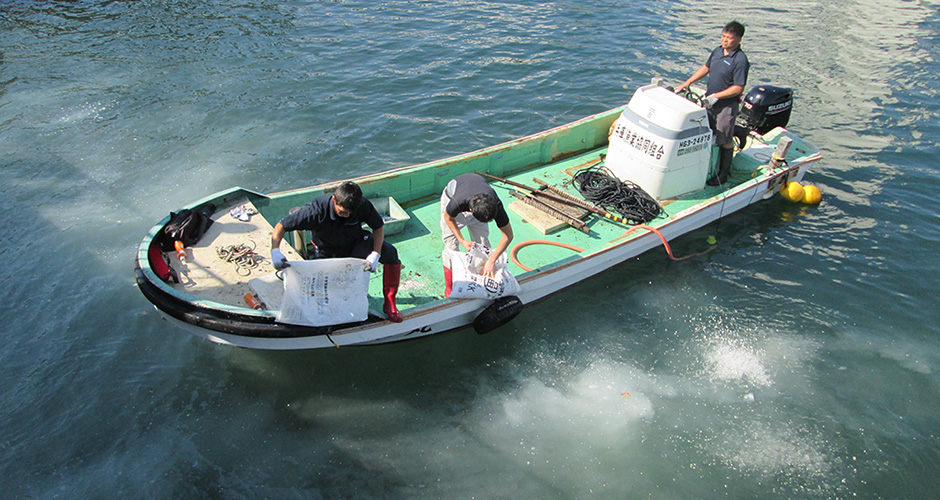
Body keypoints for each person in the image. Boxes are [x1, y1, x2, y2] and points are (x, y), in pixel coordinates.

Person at [270, 181, 403, 323]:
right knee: (324, 287)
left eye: (350, 213)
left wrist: (376, 253)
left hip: (355, 244)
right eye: (343, 212)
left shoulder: (362, 205)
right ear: (334, 199)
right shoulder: (315, 211)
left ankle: (390, 303)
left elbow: (378, 227)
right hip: (327, 252)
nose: (346, 215)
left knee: (390, 252)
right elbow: (281, 226)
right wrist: (275, 250)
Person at [675, 21, 749, 186]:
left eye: (729, 38)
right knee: (708, 130)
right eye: (723, 36)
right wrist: (687, 82)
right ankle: (738, 131)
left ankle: (723, 174)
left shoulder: (740, 60)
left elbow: (738, 87)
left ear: (739, 39)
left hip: (726, 105)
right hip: (710, 101)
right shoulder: (717, 51)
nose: (725, 40)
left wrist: (718, 96)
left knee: (724, 139)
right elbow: (706, 68)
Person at [439, 172, 513, 297]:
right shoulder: (457, 202)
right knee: (451, 248)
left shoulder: (495, 206)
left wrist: (491, 260)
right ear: (471, 210)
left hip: (479, 203)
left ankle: (483, 283)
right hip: (451, 197)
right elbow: (448, 218)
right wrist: (462, 240)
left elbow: (508, 236)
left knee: (484, 246)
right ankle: (450, 288)